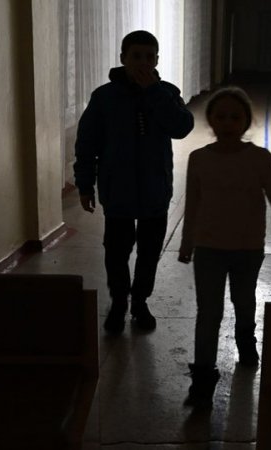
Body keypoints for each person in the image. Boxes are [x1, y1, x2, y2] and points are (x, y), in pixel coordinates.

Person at [178, 86, 271, 408]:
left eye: (235, 117)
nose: (228, 123)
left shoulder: (259, 158)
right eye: (221, 117)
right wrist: (187, 242)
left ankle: (246, 338)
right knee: (208, 313)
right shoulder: (199, 159)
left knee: (244, 301)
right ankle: (202, 379)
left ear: (246, 121)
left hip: (247, 247)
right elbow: (193, 204)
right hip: (208, 248)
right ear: (210, 120)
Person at [74, 30, 194, 335]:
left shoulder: (167, 92)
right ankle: (119, 302)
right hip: (118, 192)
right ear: (123, 59)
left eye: (149, 57)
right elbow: (87, 144)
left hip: (155, 191)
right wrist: (85, 184)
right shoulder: (105, 97)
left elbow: (182, 127)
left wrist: (154, 93)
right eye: (136, 56)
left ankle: (140, 301)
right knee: (116, 252)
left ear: (157, 60)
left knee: (149, 253)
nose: (142, 62)